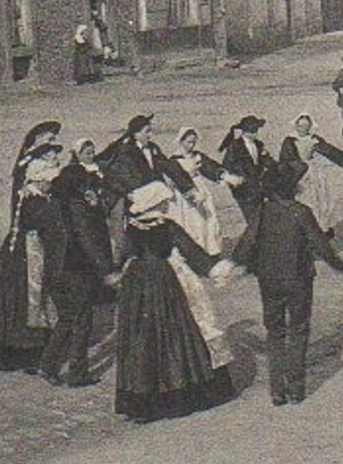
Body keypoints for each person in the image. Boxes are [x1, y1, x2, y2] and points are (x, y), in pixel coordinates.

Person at [112, 181, 236, 422]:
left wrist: (120, 272)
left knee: (142, 337)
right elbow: (191, 251)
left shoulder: (132, 228)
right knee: (178, 332)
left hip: (136, 283)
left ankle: (143, 398)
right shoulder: (166, 225)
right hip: (164, 278)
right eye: (164, 201)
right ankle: (179, 392)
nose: (167, 204)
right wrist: (215, 268)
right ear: (157, 203)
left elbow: (124, 254)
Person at [228, 161, 343, 406]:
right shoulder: (300, 211)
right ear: (292, 187)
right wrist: (338, 264)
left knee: (274, 331)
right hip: (299, 277)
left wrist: (234, 263)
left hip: (268, 279)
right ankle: (295, 388)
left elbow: (248, 240)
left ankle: (277, 390)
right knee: (299, 329)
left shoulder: (264, 210)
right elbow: (320, 243)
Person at [0, 144, 67, 372]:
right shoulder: (37, 202)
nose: (50, 184)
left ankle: (23, 351)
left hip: (23, 252)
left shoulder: (32, 197)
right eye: (48, 180)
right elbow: (49, 228)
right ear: (39, 181)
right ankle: (29, 354)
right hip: (30, 254)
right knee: (30, 301)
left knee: (23, 302)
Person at [39, 156, 119, 387]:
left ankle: (48, 365)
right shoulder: (78, 207)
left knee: (66, 317)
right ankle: (77, 372)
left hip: (54, 270)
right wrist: (106, 271)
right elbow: (88, 241)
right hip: (75, 270)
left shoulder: (51, 205)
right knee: (83, 320)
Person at [169, 127, 234, 255]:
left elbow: (210, 166)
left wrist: (224, 176)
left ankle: (209, 250)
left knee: (207, 220)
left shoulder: (197, 156)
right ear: (181, 141)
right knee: (189, 221)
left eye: (193, 142)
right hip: (184, 193)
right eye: (188, 142)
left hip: (200, 189)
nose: (191, 145)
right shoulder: (173, 160)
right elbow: (174, 177)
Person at [218, 116, 273, 226]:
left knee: (260, 218)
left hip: (258, 187)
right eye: (252, 131)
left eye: (256, 130)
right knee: (252, 219)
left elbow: (266, 162)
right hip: (243, 189)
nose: (255, 134)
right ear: (244, 131)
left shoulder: (258, 144)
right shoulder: (235, 146)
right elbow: (228, 166)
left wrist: (269, 162)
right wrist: (238, 181)